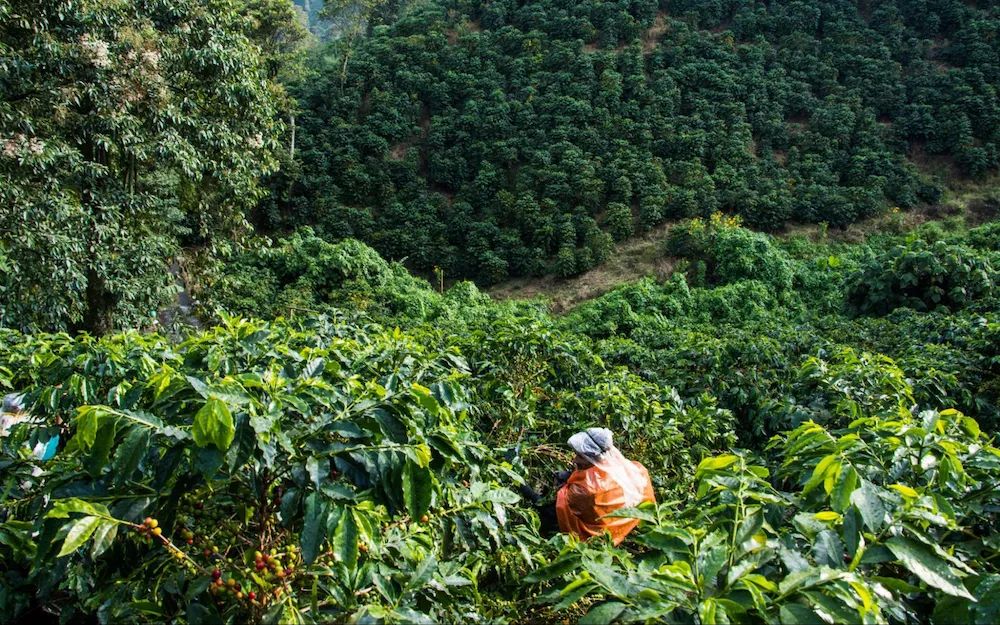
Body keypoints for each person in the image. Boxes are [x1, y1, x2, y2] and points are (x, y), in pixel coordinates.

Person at [518, 427, 655, 544]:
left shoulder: (586, 490)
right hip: (629, 525)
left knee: (545, 519)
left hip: (601, 536)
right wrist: (569, 477)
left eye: (581, 457)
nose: (575, 459)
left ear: (594, 459)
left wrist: (520, 483)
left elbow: (549, 510)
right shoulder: (636, 469)